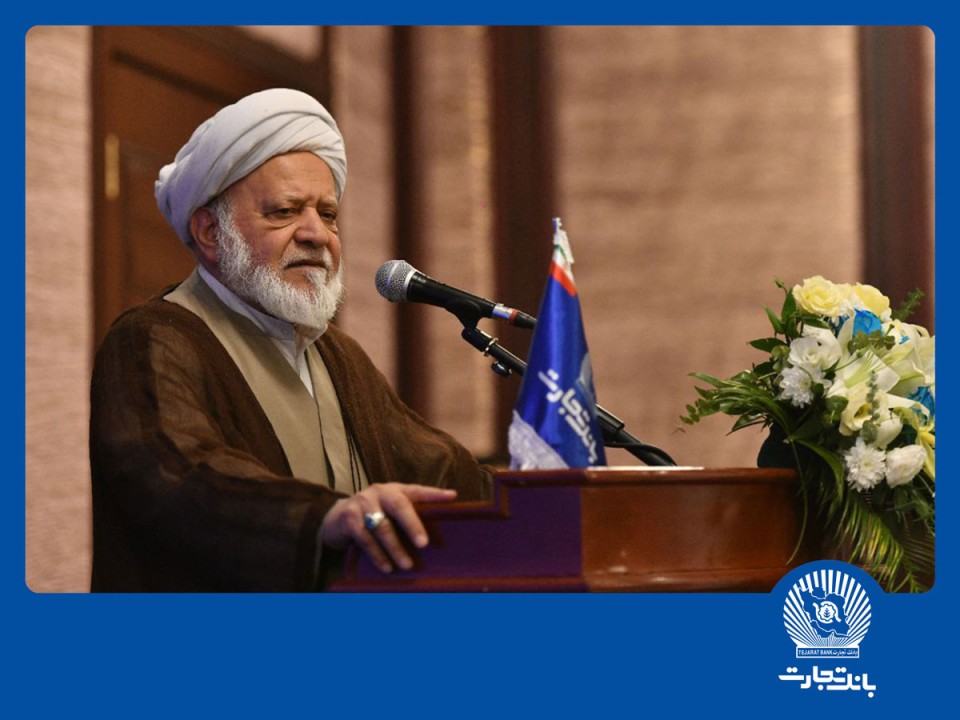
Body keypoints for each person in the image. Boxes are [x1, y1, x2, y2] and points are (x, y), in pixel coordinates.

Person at [89, 88, 493, 592]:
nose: (316, 234)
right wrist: (323, 519)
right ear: (211, 232)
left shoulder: (337, 355)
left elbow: (437, 468)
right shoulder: (150, 340)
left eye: (328, 214)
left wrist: (538, 489)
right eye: (285, 211)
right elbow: (178, 479)